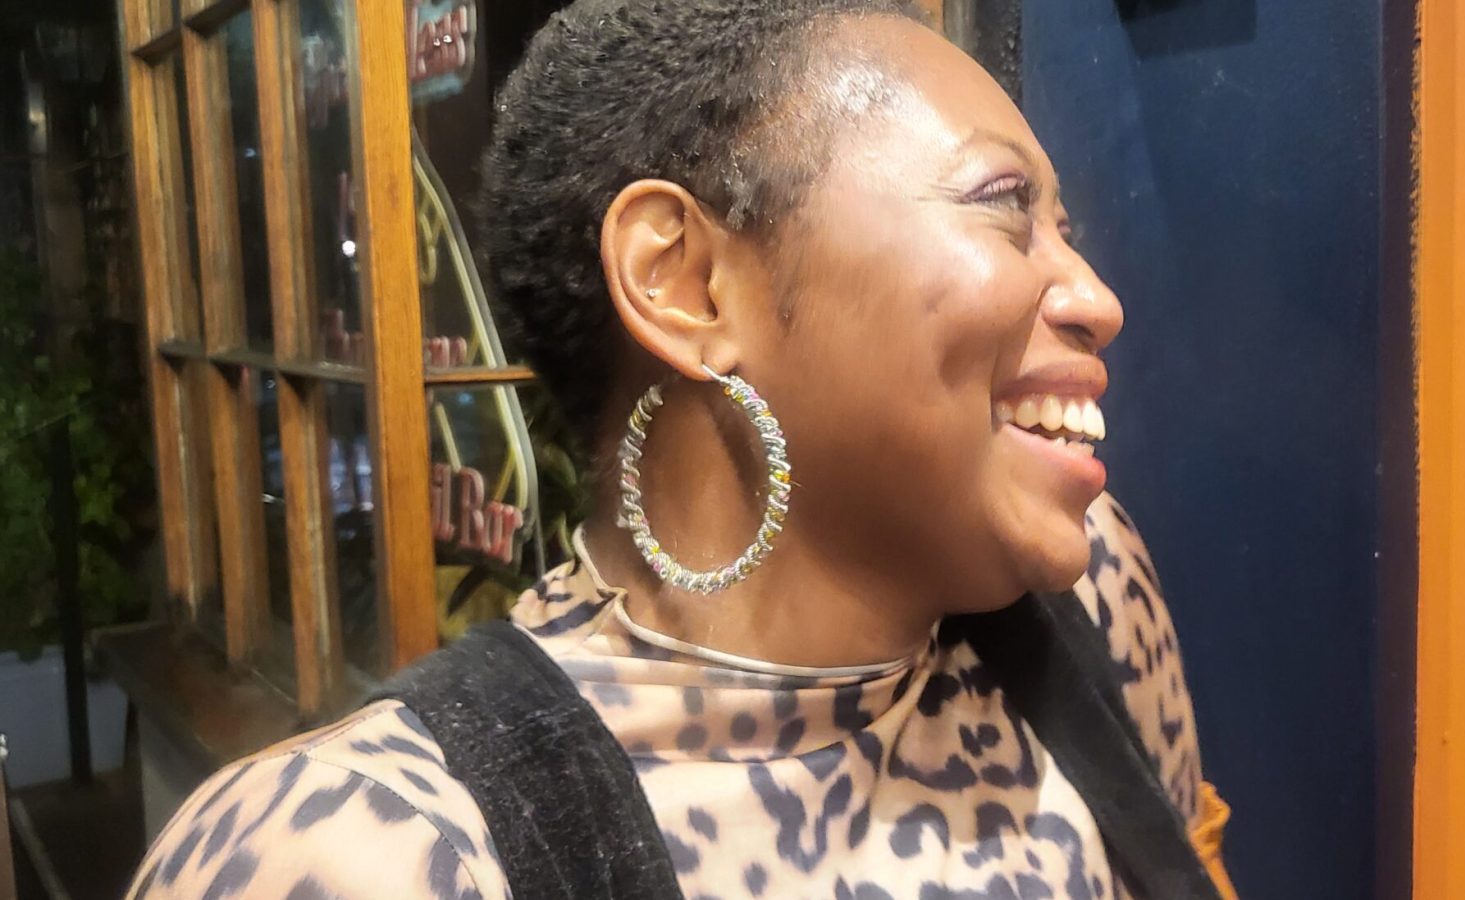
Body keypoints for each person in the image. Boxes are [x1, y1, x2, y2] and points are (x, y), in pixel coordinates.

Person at [124, 1, 1234, 897]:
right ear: (688, 283)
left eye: (1067, 232)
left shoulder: (1095, 607)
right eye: (1003, 206)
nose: (1096, 299)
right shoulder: (375, 853)